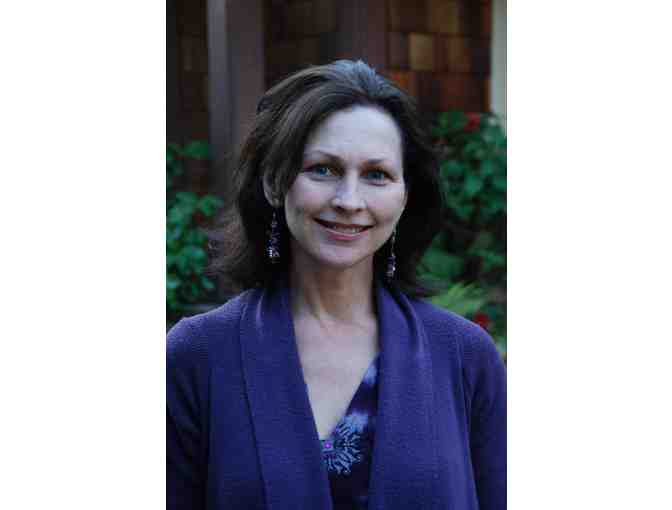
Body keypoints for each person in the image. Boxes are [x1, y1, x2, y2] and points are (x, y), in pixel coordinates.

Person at [167, 60, 506, 510]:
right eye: (323, 169)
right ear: (274, 182)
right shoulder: (197, 356)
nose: (349, 200)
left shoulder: (464, 357)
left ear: (405, 196)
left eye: (377, 175)